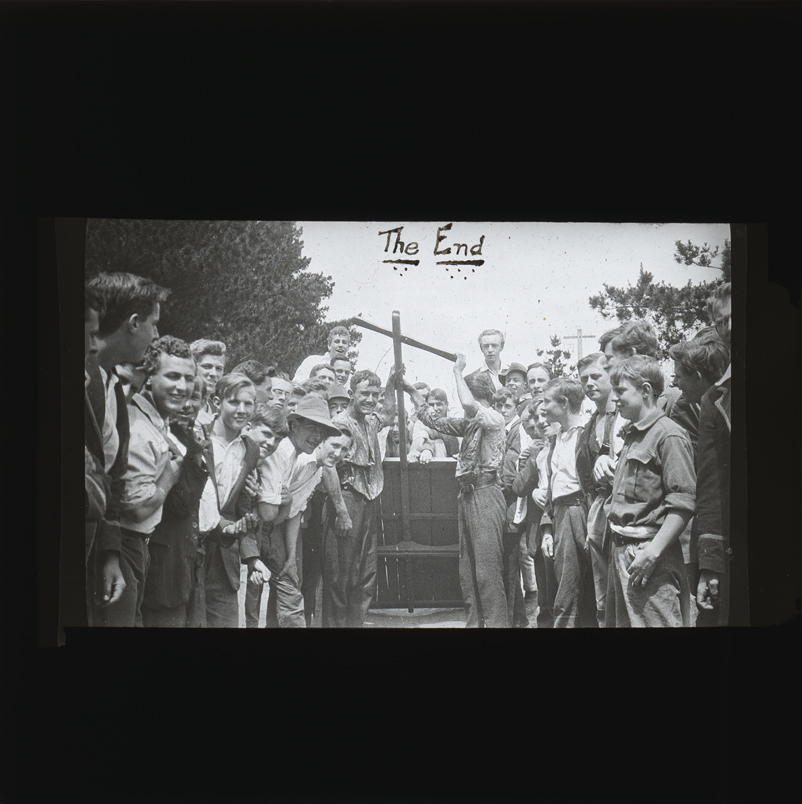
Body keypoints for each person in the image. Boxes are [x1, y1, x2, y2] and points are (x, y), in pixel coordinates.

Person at [86, 271, 169, 626]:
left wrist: (109, 555)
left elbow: (113, 477)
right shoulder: (79, 376)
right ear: (133, 324)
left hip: (96, 551)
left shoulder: (112, 388)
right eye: (154, 324)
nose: (157, 335)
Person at [402, 356, 508, 627]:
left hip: (486, 495)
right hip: (468, 496)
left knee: (487, 573)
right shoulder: (469, 424)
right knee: (468, 573)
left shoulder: (494, 418)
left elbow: (468, 404)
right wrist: (410, 390)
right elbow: (435, 420)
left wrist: (457, 372)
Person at [606, 356, 696, 627]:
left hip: (648, 557)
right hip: (620, 551)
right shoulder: (632, 434)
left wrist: (652, 553)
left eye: (621, 391)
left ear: (645, 390)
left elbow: (683, 504)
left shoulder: (669, 435)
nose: (615, 399)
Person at [113, 336, 196, 626]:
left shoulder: (158, 422)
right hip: (125, 544)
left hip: (140, 546)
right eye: (172, 376)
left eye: (188, 378)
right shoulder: (139, 427)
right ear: (149, 378)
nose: (182, 387)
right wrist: (168, 481)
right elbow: (135, 508)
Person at [249, 396, 348, 627]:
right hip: (252, 530)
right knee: (256, 594)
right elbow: (268, 513)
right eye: (312, 428)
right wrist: (284, 504)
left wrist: (291, 556)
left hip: (270, 529)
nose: (317, 437)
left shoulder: (300, 457)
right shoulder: (282, 451)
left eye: (321, 432)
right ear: (294, 425)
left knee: (290, 586)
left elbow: (290, 513)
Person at [322, 367, 398, 627]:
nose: (370, 399)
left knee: (365, 574)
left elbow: (387, 413)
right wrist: (341, 511)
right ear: (352, 393)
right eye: (364, 393)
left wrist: (390, 383)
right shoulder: (340, 424)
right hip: (346, 499)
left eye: (374, 395)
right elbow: (328, 465)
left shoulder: (369, 421)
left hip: (367, 502)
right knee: (339, 575)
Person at [141, 366, 210, 627]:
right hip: (164, 569)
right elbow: (181, 503)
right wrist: (195, 453)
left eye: (196, 398)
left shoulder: (191, 440)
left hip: (186, 563)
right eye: (184, 397)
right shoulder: (167, 440)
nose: (188, 405)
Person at [198, 373, 264, 627]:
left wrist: (252, 557)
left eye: (248, 404)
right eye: (234, 402)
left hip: (224, 557)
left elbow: (241, 509)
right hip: (190, 550)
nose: (241, 410)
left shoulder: (250, 449)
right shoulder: (200, 440)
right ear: (217, 402)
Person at [539, 378, 597, 627]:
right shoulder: (558, 438)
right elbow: (552, 488)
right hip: (561, 516)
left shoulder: (587, 435)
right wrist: (548, 528)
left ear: (563, 403)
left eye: (546, 401)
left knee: (595, 587)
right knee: (565, 586)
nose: (542, 408)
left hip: (583, 512)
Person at [693, 282, 733, 626]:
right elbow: (711, 485)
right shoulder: (714, 399)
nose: (732, 327)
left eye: (738, 316)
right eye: (722, 322)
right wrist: (709, 565)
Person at [576, 351, 625, 627]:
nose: (590, 383)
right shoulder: (589, 426)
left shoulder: (624, 415)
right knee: (603, 596)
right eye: (584, 379)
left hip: (624, 511)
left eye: (596, 376)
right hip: (598, 513)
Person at [299, 426, 355, 627]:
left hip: (304, 518)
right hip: (283, 520)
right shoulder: (305, 459)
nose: (339, 453)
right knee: (294, 578)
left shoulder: (320, 466)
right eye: (334, 445)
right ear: (321, 441)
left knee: (308, 577)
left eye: (345, 449)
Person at [511, 399, 549, 626]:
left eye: (540, 418)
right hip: (538, 530)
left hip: (562, 524)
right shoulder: (532, 449)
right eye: (531, 420)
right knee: (545, 599)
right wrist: (533, 458)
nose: (537, 424)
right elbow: (518, 486)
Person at [496, 386, 528, 627]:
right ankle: (518, 619)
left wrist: (502, 486)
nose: (503, 410)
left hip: (511, 503)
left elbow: (510, 469)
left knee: (510, 563)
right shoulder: (504, 429)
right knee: (508, 563)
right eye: (499, 406)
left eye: (507, 406)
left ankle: (512, 620)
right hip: (507, 503)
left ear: (516, 407)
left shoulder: (515, 431)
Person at [191, 338, 227, 431]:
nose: (213, 374)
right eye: (207, 367)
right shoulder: (179, 406)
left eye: (219, 368)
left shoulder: (216, 410)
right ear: (193, 367)